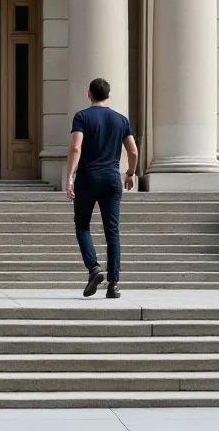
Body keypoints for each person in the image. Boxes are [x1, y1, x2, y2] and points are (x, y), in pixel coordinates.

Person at [64, 78, 138, 299]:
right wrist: (130, 173)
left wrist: (69, 177)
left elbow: (76, 147)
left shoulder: (82, 117)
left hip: (87, 177)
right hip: (112, 179)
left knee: (82, 225)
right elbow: (133, 151)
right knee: (112, 232)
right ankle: (114, 285)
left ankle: (94, 268)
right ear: (108, 95)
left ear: (89, 94)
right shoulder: (121, 120)